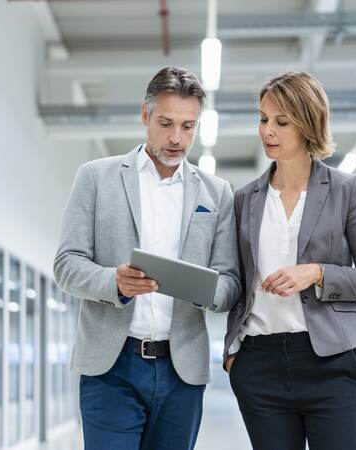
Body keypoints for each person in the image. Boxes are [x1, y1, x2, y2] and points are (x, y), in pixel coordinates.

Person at [54, 66, 241, 450]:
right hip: (112, 368)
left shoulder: (217, 193)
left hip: (181, 371)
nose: (176, 138)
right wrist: (114, 282)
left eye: (188, 127)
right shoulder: (95, 177)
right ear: (145, 115)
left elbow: (230, 282)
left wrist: (206, 291)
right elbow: (67, 264)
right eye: (166, 123)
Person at [224, 71, 356, 450]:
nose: (268, 130)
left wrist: (318, 273)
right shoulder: (245, 199)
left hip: (329, 362)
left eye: (281, 122)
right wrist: (233, 356)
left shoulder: (347, 190)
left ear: (308, 124)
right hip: (260, 363)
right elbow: (237, 281)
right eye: (263, 119)